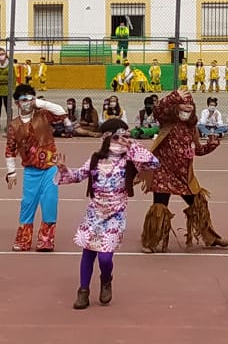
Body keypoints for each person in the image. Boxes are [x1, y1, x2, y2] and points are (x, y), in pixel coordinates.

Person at [58, 119, 158, 309]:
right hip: (94, 213)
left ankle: (106, 279)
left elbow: (153, 163)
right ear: (106, 138)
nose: (121, 140)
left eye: (125, 136)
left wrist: (133, 145)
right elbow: (77, 176)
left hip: (116, 214)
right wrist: (63, 169)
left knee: (105, 257)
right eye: (117, 137)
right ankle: (83, 291)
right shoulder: (95, 159)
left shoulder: (130, 161)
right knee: (88, 252)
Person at [140, 91, 228, 253]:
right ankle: (151, 241)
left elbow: (199, 150)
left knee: (198, 203)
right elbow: (158, 109)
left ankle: (210, 237)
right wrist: (174, 96)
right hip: (163, 173)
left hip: (184, 175)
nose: (187, 107)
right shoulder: (167, 122)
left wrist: (211, 145)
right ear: (175, 106)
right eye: (183, 104)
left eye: (190, 105)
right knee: (159, 207)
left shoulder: (191, 128)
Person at [4, 83, 69, 251]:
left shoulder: (44, 116)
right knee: (27, 204)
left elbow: (62, 112)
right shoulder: (14, 125)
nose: (27, 102)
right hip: (30, 171)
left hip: (50, 168)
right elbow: (10, 150)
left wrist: (40, 103)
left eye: (29, 99)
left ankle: (46, 240)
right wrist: (11, 172)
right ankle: (23, 240)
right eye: (23, 100)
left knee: (49, 203)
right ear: (17, 103)